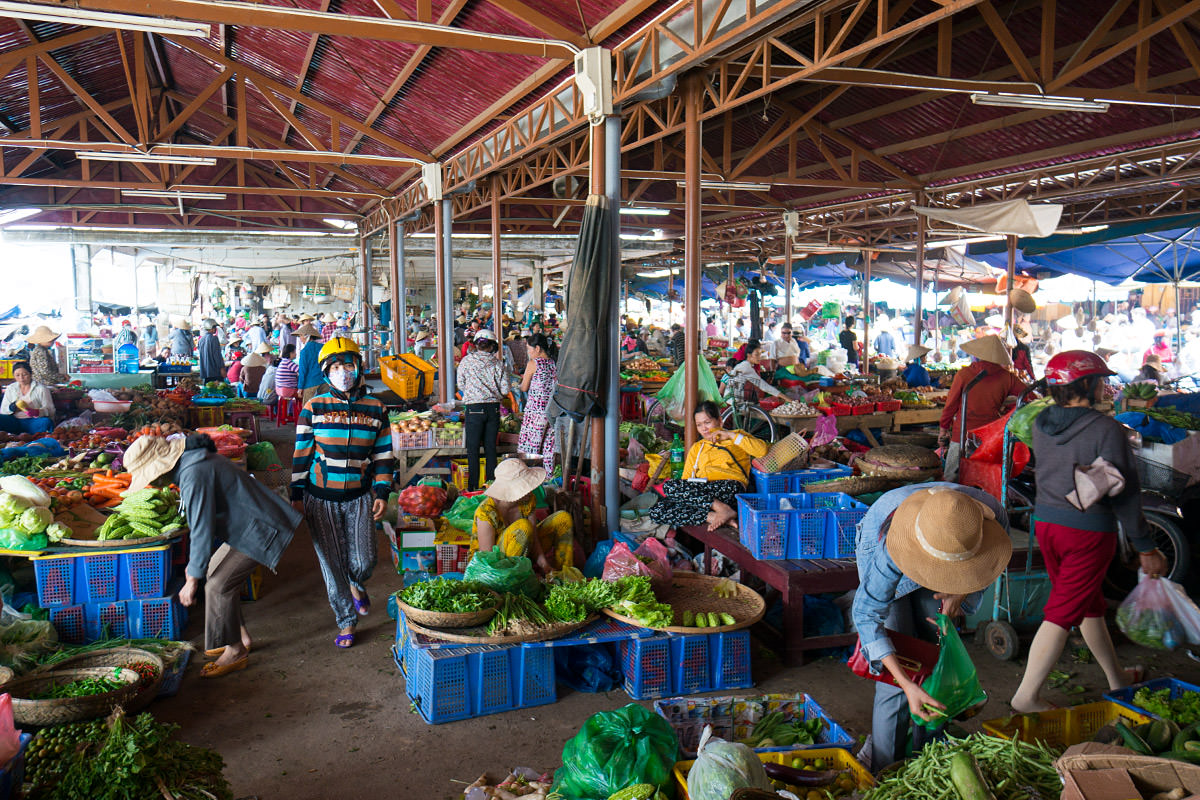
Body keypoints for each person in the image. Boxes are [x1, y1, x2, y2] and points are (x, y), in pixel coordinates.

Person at [1009, 351, 1167, 713]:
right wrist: (1145, 546)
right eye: (1099, 380)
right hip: (1087, 533)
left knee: (1088, 606)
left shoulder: (1041, 422)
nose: (1104, 386)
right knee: (1062, 612)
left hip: (1047, 524)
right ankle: (1026, 696)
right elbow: (1125, 494)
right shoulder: (1105, 430)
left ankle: (1117, 681)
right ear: (1086, 384)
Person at [851, 484, 1011, 770]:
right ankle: (885, 771)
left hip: (946, 547)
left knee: (935, 654)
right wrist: (906, 683)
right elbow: (866, 614)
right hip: (892, 533)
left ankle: (927, 757)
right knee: (899, 676)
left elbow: (986, 568)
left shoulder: (991, 520)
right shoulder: (891, 544)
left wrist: (958, 595)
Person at [124, 434, 301, 677]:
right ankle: (241, 637)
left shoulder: (193, 474)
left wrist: (191, 580)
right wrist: (196, 571)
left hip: (261, 527)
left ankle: (235, 650)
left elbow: (202, 529)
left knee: (218, 585)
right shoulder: (192, 463)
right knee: (213, 573)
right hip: (246, 525)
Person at [290, 337, 392, 648]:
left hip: (360, 496)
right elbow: (302, 453)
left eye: (347, 365)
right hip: (320, 498)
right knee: (331, 564)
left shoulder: (376, 409)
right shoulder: (314, 408)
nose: (342, 372)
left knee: (365, 559)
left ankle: (355, 582)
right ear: (325, 372)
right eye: (335, 367)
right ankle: (346, 621)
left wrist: (382, 492)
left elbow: (383, 455)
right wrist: (296, 494)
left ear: (359, 367)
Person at [648, 400, 768, 530]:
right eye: (699, 425)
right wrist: (692, 497)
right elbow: (685, 480)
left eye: (707, 422)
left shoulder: (736, 437)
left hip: (729, 488)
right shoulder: (697, 448)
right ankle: (716, 515)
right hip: (704, 494)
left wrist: (730, 435)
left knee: (674, 492)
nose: (704, 428)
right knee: (659, 506)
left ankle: (721, 509)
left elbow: (761, 451)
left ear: (719, 421)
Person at [938, 334, 1026, 481]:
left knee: (951, 478)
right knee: (984, 478)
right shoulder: (1007, 377)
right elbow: (1029, 397)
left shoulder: (964, 374)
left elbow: (950, 406)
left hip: (962, 434)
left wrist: (943, 429)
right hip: (990, 435)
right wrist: (1007, 409)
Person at [472, 459, 575, 575]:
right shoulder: (486, 513)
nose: (530, 489)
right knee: (523, 527)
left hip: (526, 550)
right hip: (497, 568)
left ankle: (563, 574)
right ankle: (517, 576)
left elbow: (534, 538)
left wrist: (545, 565)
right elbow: (488, 560)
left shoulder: (528, 500)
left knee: (563, 519)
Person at [457, 328, 507, 491]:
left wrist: (473, 393)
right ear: (492, 346)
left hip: (474, 409)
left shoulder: (466, 362)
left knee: (473, 449)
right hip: (493, 409)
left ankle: (472, 488)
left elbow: (461, 385)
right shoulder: (498, 364)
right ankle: (491, 487)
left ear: (476, 345)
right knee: (490, 448)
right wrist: (496, 393)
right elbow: (506, 390)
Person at [518, 333, 558, 474]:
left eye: (529, 349)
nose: (529, 353)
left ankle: (529, 478)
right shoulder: (553, 363)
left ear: (538, 348)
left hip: (535, 411)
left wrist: (517, 383)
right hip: (551, 411)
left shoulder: (533, 364)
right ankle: (547, 478)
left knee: (530, 449)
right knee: (548, 448)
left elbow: (524, 387)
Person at [0, 361, 55, 434]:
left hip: (32, 421)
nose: (21, 378)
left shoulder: (41, 388)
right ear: (14, 376)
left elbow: (51, 410)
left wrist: (37, 412)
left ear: (30, 374)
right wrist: (12, 408)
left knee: (46, 422)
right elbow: (3, 410)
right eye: (17, 375)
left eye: (24, 374)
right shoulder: (11, 388)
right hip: (14, 420)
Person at [295, 322, 325, 406]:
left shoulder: (304, 351)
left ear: (306, 336)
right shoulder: (323, 347)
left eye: (300, 336)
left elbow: (303, 371)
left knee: (307, 408)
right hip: (325, 381)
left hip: (311, 383)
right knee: (324, 408)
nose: (300, 338)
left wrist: (300, 388)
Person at [197, 319, 225, 383]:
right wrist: (222, 368)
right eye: (215, 327)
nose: (215, 329)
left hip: (205, 372)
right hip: (215, 372)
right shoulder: (214, 339)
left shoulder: (201, 340)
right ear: (211, 328)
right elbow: (217, 356)